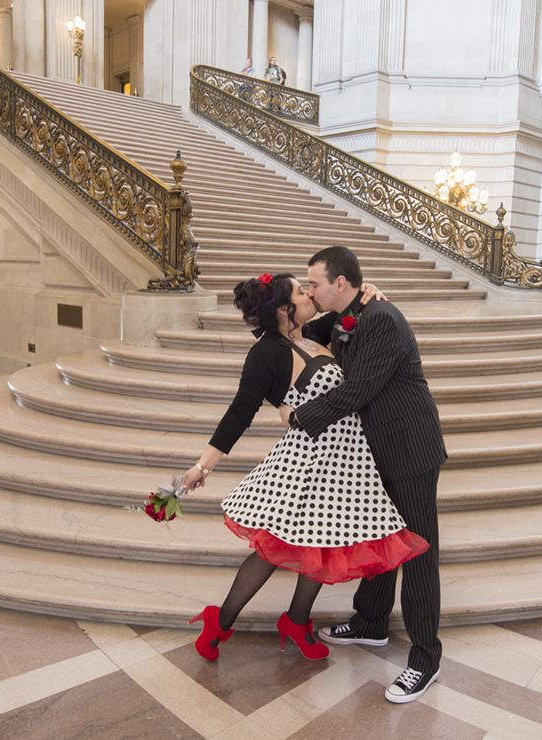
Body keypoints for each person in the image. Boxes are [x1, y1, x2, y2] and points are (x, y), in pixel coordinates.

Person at [183, 273, 429, 664]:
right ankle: (220, 621)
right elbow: (240, 410)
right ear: (284, 308)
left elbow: (351, 309)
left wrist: (370, 294)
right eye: (302, 291)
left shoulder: (316, 330)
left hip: (346, 459)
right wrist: (202, 466)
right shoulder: (267, 352)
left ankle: (297, 621)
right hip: (306, 460)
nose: (310, 294)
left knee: (324, 543)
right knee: (272, 546)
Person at [281, 246, 447, 704]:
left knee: (417, 552)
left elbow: (357, 390)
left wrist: (300, 417)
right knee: (379, 537)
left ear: (339, 282)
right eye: (306, 286)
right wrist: (287, 303)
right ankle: (371, 623)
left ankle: (425, 659)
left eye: (314, 283)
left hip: (410, 449)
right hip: (376, 450)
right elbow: (295, 328)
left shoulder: (381, 319)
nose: (309, 290)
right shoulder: (346, 315)